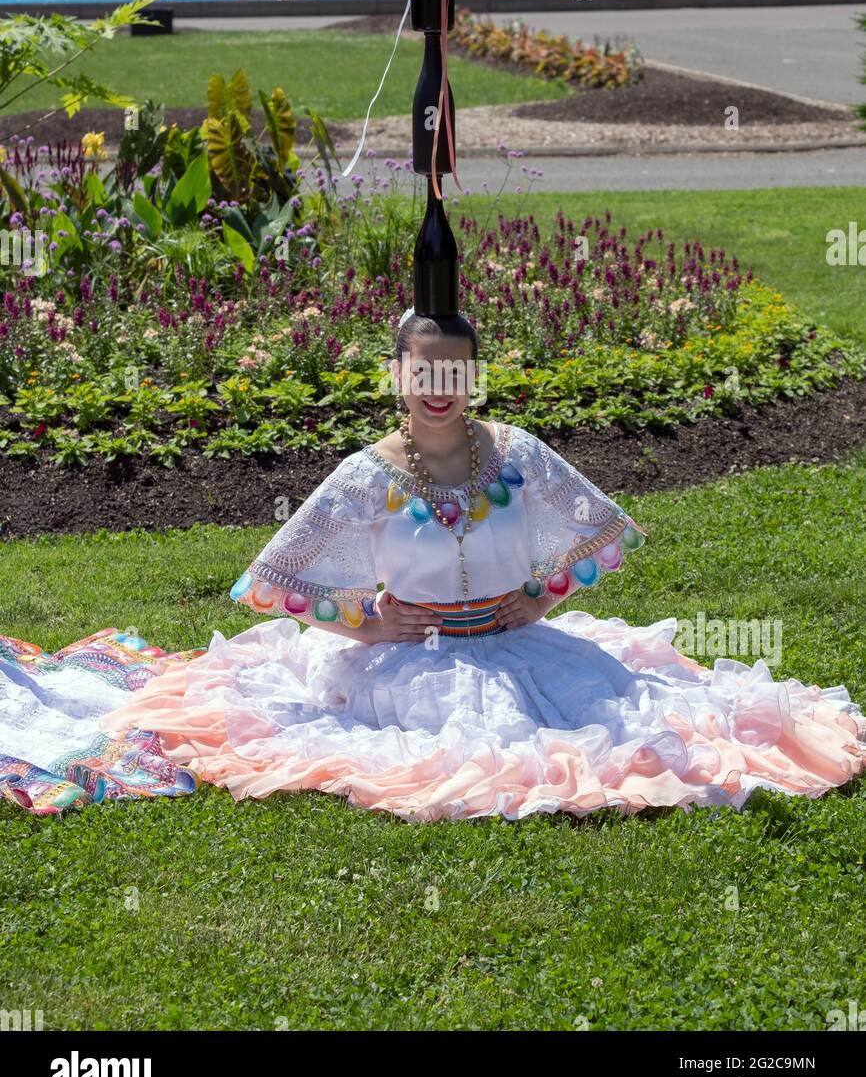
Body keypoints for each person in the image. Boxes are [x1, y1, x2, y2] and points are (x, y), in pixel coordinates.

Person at [98, 309, 866, 822]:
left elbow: (601, 528)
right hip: (410, 665)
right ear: (397, 374)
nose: (440, 389)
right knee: (474, 757)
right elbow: (275, 576)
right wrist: (366, 623)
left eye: (455, 373)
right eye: (424, 372)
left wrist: (540, 597)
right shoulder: (366, 474)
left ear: (473, 378)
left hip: (522, 646)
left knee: (621, 728)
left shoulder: (519, 453)